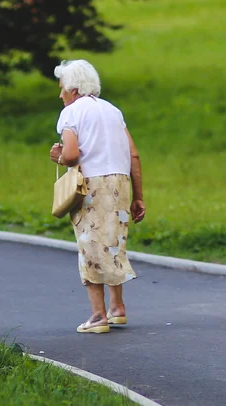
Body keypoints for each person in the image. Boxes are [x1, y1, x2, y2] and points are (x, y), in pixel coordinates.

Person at [49, 60, 146, 334]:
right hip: (120, 182)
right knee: (113, 243)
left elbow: (70, 155)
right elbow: (134, 155)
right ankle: (117, 309)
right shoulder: (113, 111)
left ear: (74, 89)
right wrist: (138, 197)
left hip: (92, 185)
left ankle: (97, 316)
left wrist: (57, 155)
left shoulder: (71, 113)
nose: (60, 95)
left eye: (62, 89)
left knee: (90, 246)